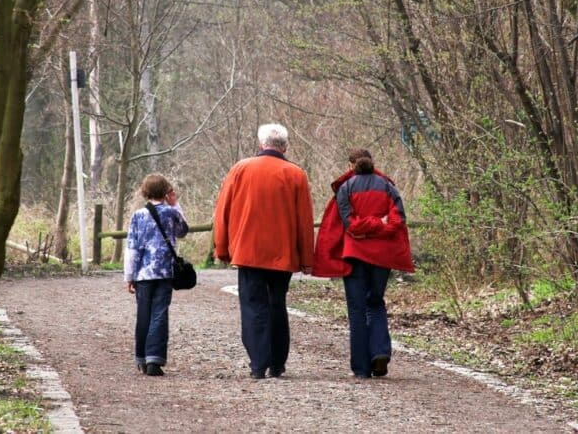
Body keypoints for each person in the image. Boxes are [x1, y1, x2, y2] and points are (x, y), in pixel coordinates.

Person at [213, 123, 315, 379]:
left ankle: (258, 363)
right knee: (277, 304)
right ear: (285, 146)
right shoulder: (296, 174)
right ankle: (277, 363)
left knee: (252, 305)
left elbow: (222, 212)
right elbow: (304, 219)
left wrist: (222, 248)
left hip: (248, 252)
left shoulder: (240, 169)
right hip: (283, 253)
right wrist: (307, 258)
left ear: (261, 144)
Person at [313, 149, 413, 379]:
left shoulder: (345, 189)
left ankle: (360, 368)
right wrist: (380, 223)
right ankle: (379, 352)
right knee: (375, 303)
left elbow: (351, 225)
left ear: (351, 165)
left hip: (355, 254)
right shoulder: (387, 186)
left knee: (357, 309)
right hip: (382, 256)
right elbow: (398, 220)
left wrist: (365, 226)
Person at [124, 174, 189, 376]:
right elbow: (183, 231)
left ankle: (141, 357)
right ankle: (154, 359)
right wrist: (176, 204)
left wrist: (129, 276)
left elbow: (132, 248)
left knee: (143, 314)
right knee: (159, 313)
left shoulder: (138, 216)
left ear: (145, 192)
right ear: (166, 191)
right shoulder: (171, 213)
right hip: (164, 272)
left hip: (143, 273)